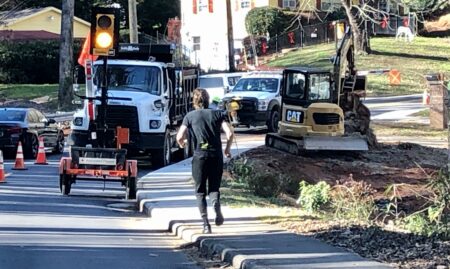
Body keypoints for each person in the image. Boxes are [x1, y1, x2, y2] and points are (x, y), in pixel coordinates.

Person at [176, 88, 234, 234]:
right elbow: (230, 133)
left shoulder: (189, 116)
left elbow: (179, 136)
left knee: (200, 191)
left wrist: (182, 143)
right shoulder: (218, 114)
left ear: (194, 101)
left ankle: (205, 224)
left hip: (199, 156)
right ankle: (215, 203)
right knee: (214, 188)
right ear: (208, 100)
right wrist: (227, 149)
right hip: (216, 156)